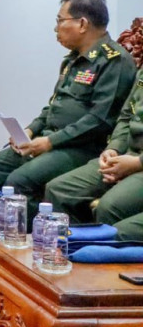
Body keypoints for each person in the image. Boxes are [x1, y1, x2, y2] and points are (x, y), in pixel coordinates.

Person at [0, 0, 137, 203]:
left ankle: (24, 225)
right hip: (50, 139)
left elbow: (99, 120)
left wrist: (50, 142)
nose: (56, 28)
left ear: (82, 24)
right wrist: (30, 130)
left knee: (19, 181)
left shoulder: (114, 60)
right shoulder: (73, 60)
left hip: (82, 147)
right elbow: (54, 105)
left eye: (60, 20)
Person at [43, 66, 143, 238]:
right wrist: (113, 149)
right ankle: (69, 249)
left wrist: (136, 163)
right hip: (127, 153)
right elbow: (127, 116)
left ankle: (99, 252)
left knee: (109, 207)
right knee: (59, 190)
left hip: (138, 162)